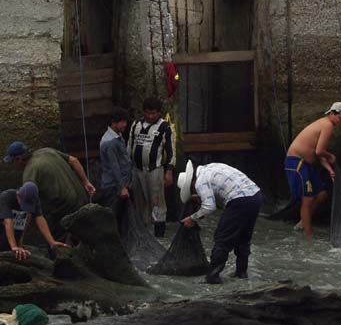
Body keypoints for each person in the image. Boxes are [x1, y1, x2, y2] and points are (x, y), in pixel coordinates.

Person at [178, 161, 264, 284]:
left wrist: (193, 218)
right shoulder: (209, 168)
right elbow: (220, 188)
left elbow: (209, 207)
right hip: (255, 196)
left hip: (239, 200)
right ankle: (241, 273)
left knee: (222, 239)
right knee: (243, 238)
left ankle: (213, 277)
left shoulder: (200, 182)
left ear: (191, 182)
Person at [3, 141, 96, 240]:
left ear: (19, 159)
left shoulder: (30, 172)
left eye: (13, 161)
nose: (14, 165)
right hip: (83, 198)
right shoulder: (47, 151)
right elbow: (74, 160)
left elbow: (28, 207)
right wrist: (86, 182)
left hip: (66, 208)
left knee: (55, 238)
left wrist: (20, 236)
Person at [284, 102, 341, 237]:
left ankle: (303, 222)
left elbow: (316, 151)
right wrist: (330, 155)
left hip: (308, 164)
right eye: (340, 118)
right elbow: (320, 151)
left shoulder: (326, 124)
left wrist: (329, 169)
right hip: (296, 162)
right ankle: (309, 236)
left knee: (322, 195)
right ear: (332, 113)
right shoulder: (327, 125)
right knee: (307, 199)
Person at [0, 182, 68, 263]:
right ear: (18, 195)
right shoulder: (7, 196)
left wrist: (51, 241)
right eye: (24, 203)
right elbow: (7, 222)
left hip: (11, 245)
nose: (25, 208)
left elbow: (39, 218)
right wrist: (14, 246)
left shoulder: (34, 200)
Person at [127, 97, 175, 238]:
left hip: (155, 169)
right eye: (148, 113)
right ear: (143, 112)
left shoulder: (165, 127)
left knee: (156, 201)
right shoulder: (136, 124)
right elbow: (130, 145)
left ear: (159, 112)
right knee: (139, 201)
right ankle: (143, 232)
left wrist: (169, 171)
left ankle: (159, 234)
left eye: (153, 113)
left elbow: (170, 150)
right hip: (137, 169)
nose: (150, 116)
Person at [99, 107, 132, 228]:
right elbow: (114, 167)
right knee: (113, 218)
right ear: (114, 123)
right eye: (122, 122)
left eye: (125, 122)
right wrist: (122, 187)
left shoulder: (118, 137)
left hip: (119, 185)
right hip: (113, 187)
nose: (125, 125)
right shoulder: (110, 142)